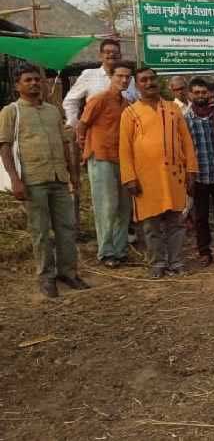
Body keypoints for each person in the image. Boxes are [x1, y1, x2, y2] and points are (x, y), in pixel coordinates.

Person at [0, 64, 89, 298]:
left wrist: (72, 175)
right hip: (32, 179)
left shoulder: (52, 111)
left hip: (58, 177)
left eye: (37, 80)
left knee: (67, 228)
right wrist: (15, 180)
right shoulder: (11, 112)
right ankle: (46, 277)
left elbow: (64, 144)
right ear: (18, 85)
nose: (34, 83)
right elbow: (5, 147)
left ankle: (68, 273)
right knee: (40, 231)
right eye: (28, 80)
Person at [120, 68, 198, 279]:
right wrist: (129, 177)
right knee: (150, 224)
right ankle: (158, 263)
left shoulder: (172, 109)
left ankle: (176, 260)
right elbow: (124, 149)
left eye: (152, 79)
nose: (149, 83)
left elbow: (187, 142)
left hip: (174, 175)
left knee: (176, 222)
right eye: (143, 80)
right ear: (137, 85)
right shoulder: (130, 113)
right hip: (146, 178)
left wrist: (191, 171)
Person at [75, 63, 133, 268]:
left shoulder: (126, 103)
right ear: (112, 77)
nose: (124, 80)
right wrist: (84, 148)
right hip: (100, 157)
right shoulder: (98, 99)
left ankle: (120, 249)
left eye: (127, 77)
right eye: (120, 76)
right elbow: (82, 125)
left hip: (122, 159)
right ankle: (106, 251)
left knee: (124, 207)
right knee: (106, 206)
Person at [185, 78, 214, 267]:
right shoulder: (186, 120)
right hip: (198, 177)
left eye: (203, 93)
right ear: (190, 95)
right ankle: (204, 251)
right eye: (196, 93)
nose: (201, 96)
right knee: (201, 217)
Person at [62, 38, 137, 127]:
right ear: (100, 55)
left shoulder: (129, 79)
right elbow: (70, 100)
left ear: (120, 56)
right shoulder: (89, 74)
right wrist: (74, 124)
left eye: (115, 52)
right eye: (107, 52)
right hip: (96, 131)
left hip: (124, 130)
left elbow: (137, 103)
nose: (112, 54)